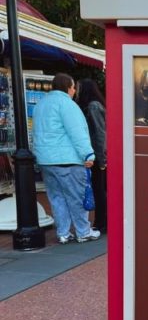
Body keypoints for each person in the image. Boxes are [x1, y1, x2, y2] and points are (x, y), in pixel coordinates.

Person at [32, 73, 99, 243]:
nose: (74, 90)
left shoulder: (41, 104)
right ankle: (83, 232)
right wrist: (88, 154)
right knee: (76, 197)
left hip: (46, 160)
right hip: (67, 159)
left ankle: (63, 232)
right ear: (68, 87)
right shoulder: (67, 105)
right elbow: (77, 132)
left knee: (56, 198)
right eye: (73, 87)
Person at [75, 78, 107, 233]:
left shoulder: (93, 106)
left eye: (78, 86)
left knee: (99, 190)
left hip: (96, 155)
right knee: (99, 189)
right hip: (96, 154)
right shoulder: (94, 105)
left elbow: (100, 133)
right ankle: (102, 222)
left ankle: (102, 222)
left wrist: (101, 158)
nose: (76, 89)